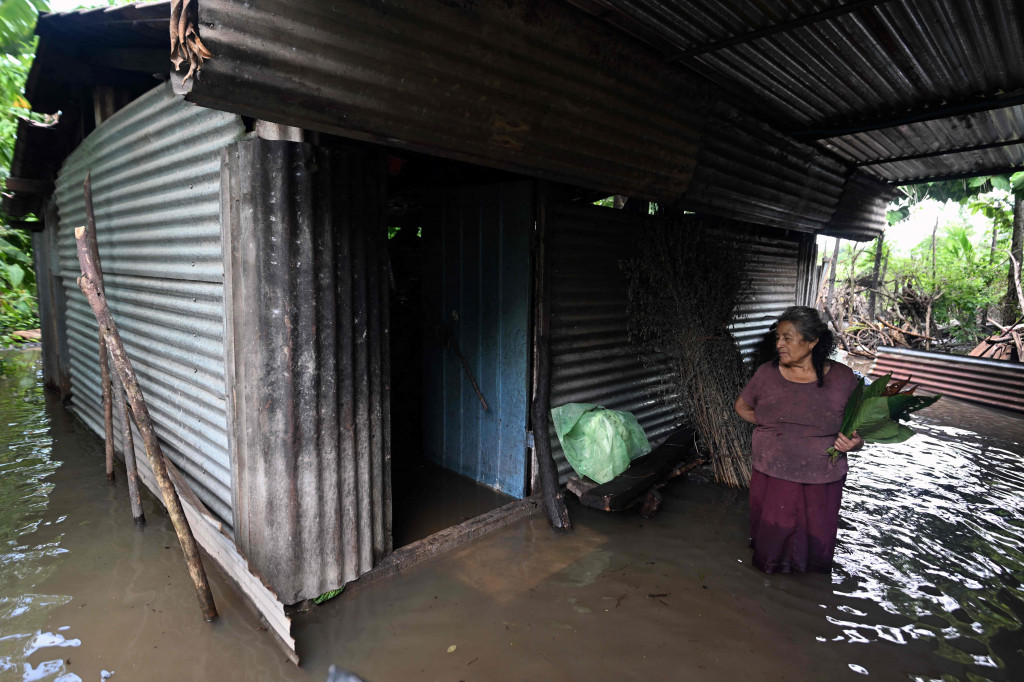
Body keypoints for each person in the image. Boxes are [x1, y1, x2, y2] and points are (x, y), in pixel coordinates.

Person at [734, 306, 863, 573]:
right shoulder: (766, 374)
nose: (779, 344)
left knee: (817, 533)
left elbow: (859, 429)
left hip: (822, 473)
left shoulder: (842, 378)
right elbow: (742, 408)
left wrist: (854, 443)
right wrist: (772, 430)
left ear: (813, 342)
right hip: (773, 469)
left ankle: (811, 585)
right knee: (772, 534)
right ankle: (769, 579)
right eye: (778, 338)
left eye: (787, 338)